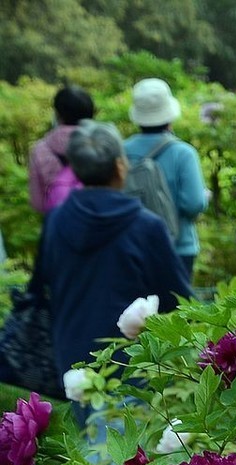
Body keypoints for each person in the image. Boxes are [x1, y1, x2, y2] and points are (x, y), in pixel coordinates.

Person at [35, 121, 192, 431]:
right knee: (130, 452)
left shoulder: (56, 221)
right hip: (132, 356)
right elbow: (179, 299)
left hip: (73, 352)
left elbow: (41, 285)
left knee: (96, 437)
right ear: (121, 167)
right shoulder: (145, 226)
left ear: (77, 171)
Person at [123, 78, 208, 277]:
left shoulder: (121, 151)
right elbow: (193, 204)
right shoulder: (183, 153)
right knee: (175, 307)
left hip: (131, 246)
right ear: (170, 116)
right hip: (178, 247)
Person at [28, 86, 94, 215]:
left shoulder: (40, 150)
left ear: (58, 114)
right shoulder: (103, 144)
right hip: (100, 224)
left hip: (59, 225)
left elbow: (37, 203)